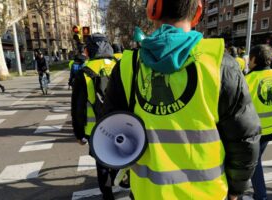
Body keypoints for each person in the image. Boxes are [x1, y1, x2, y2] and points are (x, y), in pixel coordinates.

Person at [100, 0, 260, 199]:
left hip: (148, 193)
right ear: (198, 12)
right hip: (208, 194)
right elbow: (244, 137)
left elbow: (110, 134)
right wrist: (236, 188)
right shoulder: (219, 63)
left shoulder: (127, 66)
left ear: (152, 11)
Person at [71, 33, 118, 200]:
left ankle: (108, 195)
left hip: (95, 129)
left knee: (102, 164)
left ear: (88, 51)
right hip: (121, 125)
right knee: (123, 156)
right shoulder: (121, 65)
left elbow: (77, 108)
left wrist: (79, 134)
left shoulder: (83, 73)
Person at [245, 45, 272, 200]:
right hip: (269, 130)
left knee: (253, 164)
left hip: (251, 132)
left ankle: (261, 196)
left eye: (249, 58)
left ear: (254, 59)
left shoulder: (247, 80)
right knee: (255, 162)